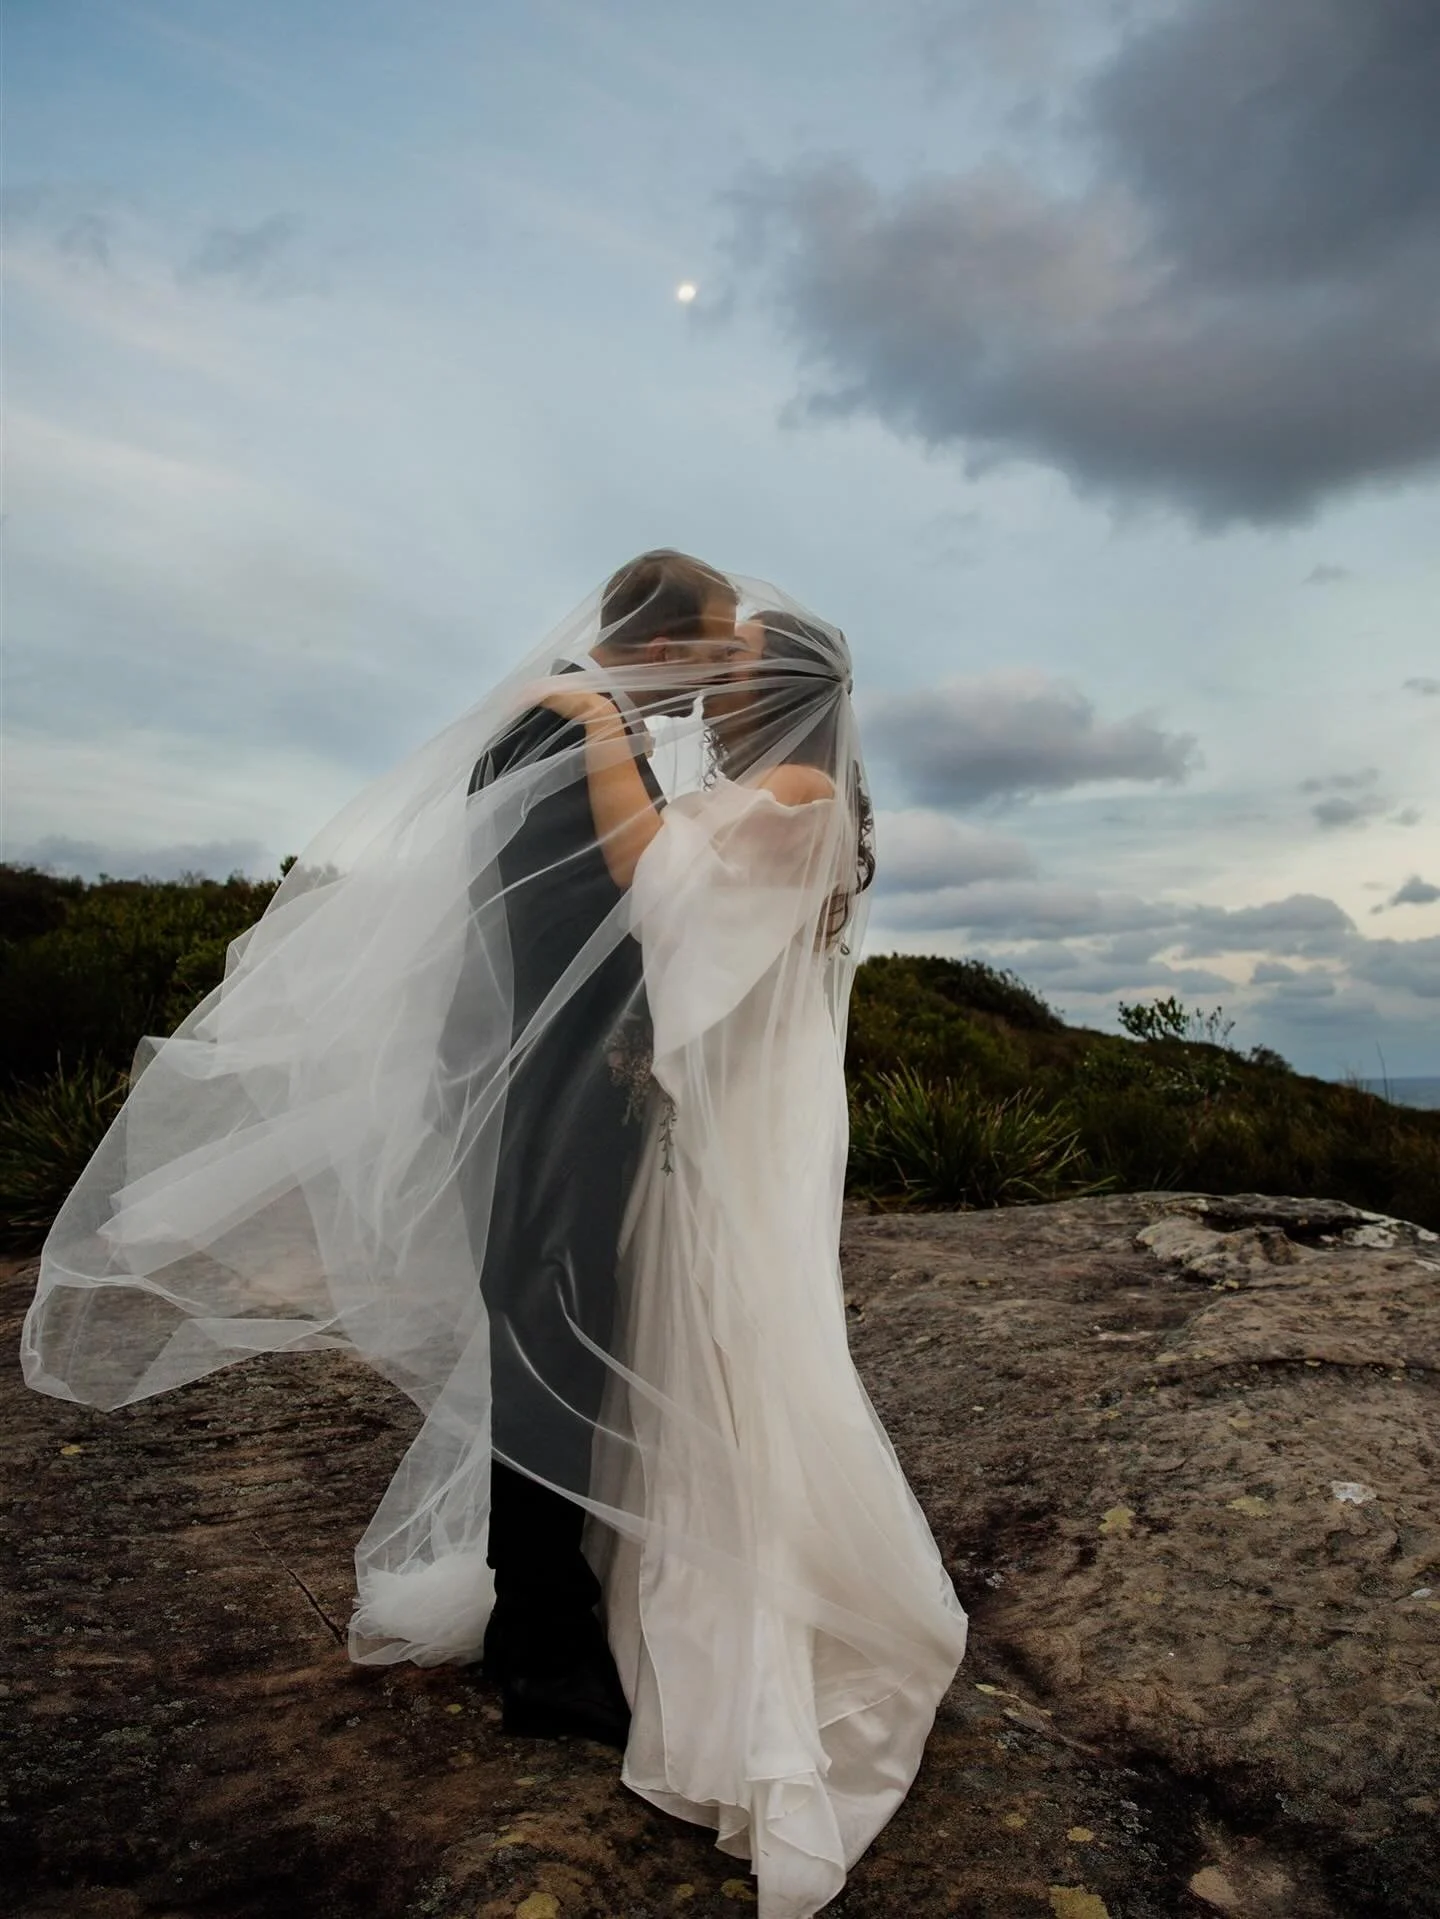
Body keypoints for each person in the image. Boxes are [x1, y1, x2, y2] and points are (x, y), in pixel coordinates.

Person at [21, 566, 966, 1919]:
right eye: (713, 648)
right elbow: (588, 920)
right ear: (662, 644)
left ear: (785, 693)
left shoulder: (760, 783)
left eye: (741, 663)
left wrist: (598, 736)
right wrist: (587, 726)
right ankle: (550, 1630)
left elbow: (661, 887)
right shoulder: (578, 727)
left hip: (684, 1114)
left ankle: (568, 1619)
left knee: (681, 1357)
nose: (719, 678)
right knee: (614, 1354)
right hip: (593, 1111)